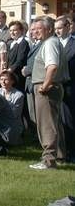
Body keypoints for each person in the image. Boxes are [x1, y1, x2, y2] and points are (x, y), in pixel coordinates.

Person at [30, 16, 69, 170]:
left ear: (49, 29)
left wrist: (45, 86)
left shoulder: (50, 43)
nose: (35, 32)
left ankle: (48, 161)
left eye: (39, 29)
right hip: (52, 88)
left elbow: (52, 67)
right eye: (34, 29)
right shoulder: (51, 43)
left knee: (47, 125)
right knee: (54, 124)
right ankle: (59, 156)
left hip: (47, 90)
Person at [55, 15, 75, 161]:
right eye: (55, 29)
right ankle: (60, 151)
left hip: (69, 88)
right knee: (57, 121)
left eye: (60, 28)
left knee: (69, 121)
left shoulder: (73, 44)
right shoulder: (54, 44)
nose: (57, 31)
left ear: (68, 27)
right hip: (54, 87)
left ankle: (71, 153)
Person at [0, 70, 25, 138]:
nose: (3, 82)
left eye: (6, 80)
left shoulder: (18, 95)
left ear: (12, 81)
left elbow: (14, 114)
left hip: (11, 124)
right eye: (1, 79)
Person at [6, 21, 29, 92]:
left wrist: (10, 70)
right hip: (11, 75)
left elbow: (20, 60)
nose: (12, 33)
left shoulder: (23, 43)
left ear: (21, 31)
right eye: (10, 30)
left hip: (18, 76)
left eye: (14, 30)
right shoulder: (11, 43)